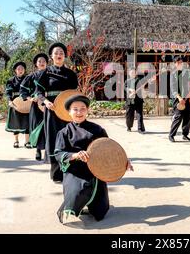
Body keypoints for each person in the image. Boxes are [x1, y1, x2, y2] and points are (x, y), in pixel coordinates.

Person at [54, 95, 133, 223]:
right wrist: (75, 155)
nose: (79, 112)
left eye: (82, 109)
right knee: (77, 193)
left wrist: (124, 161)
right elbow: (58, 153)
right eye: (75, 109)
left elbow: (111, 149)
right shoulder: (64, 132)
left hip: (97, 169)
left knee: (99, 213)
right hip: (76, 169)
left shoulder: (97, 130)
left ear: (87, 110)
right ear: (69, 112)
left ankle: (95, 206)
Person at [35, 43, 79, 183]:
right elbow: (38, 92)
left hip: (67, 111)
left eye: (61, 52)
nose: (59, 55)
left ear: (64, 56)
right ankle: (56, 173)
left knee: (69, 139)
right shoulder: (45, 73)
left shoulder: (71, 74)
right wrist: (45, 101)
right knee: (54, 139)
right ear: (51, 56)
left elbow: (74, 93)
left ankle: (70, 170)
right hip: (52, 111)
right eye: (56, 53)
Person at [20, 53, 48, 160]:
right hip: (36, 106)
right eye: (39, 61)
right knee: (37, 126)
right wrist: (30, 98)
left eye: (44, 61)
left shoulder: (51, 74)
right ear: (36, 64)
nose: (42, 63)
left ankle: (47, 150)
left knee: (47, 126)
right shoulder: (32, 76)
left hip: (48, 104)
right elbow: (22, 89)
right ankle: (37, 150)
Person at [5, 61, 30, 148]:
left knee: (27, 122)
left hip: (25, 102)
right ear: (15, 70)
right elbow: (8, 93)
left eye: (22, 69)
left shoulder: (28, 79)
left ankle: (27, 141)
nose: (20, 70)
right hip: (15, 103)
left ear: (24, 70)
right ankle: (16, 141)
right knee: (16, 123)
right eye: (18, 69)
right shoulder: (11, 80)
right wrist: (9, 101)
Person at [169, 56, 190, 142]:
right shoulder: (173, 74)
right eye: (178, 62)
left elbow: (188, 85)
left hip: (186, 97)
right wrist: (179, 98)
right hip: (177, 99)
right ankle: (171, 135)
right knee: (178, 117)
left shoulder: (185, 73)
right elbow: (173, 88)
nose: (180, 64)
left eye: (181, 62)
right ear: (175, 64)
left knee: (188, 116)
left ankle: (185, 134)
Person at [125, 69, 145, 133]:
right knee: (129, 115)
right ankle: (129, 127)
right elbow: (125, 88)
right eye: (131, 73)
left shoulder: (139, 80)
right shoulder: (127, 81)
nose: (133, 74)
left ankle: (140, 128)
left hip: (138, 100)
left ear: (136, 73)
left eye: (134, 72)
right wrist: (130, 90)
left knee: (139, 115)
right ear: (129, 74)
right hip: (130, 101)